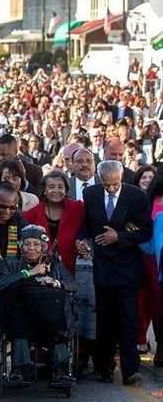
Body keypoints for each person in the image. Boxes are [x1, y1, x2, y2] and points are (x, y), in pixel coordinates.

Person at [77, 160, 152, 385]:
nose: (110, 189)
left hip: (127, 266)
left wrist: (119, 237)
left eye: (114, 185)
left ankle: (130, 369)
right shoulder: (90, 194)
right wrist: (81, 241)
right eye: (106, 185)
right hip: (102, 266)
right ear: (99, 180)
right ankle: (104, 366)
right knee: (105, 318)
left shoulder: (136, 196)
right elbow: (87, 226)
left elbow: (145, 231)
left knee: (128, 318)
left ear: (122, 179)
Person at [0, 225, 77, 388]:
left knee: (57, 325)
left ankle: (61, 371)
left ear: (43, 247)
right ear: (20, 246)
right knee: (20, 327)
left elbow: (72, 284)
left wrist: (56, 282)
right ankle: (20, 370)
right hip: (20, 319)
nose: (31, 248)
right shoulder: (9, 263)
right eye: (27, 244)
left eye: (36, 244)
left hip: (49, 318)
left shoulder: (54, 265)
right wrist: (28, 273)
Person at [24, 171, 85, 274]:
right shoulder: (32, 214)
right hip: (39, 269)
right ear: (44, 190)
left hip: (69, 269)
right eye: (51, 187)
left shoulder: (77, 208)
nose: (56, 190)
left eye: (60, 187)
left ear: (66, 190)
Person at [134, 166, 162, 357]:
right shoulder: (149, 201)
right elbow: (143, 232)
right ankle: (150, 343)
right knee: (151, 303)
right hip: (150, 261)